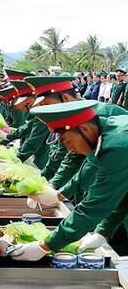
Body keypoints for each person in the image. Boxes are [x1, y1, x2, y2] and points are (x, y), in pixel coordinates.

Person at [12, 100, 128, 261]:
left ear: (85, 129)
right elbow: (123, 194)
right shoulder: (106, 133)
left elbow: (94, 206)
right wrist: (104, 231)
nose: (69, 149)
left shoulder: (118, 146)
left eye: (67, 141)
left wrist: (44, 246)